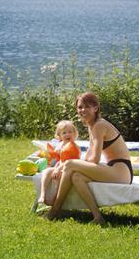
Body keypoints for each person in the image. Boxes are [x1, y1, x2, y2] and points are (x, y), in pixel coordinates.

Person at [44, 92, 133, 225]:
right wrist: (75, 165)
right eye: (80, 107)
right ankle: (98, 217)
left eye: (87, 107)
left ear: (95, 108)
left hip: (121, 172)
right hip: (114, 169)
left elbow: (95, 159)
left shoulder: (99, 126)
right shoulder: (92, 126)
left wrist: (71, 165)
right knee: (76, 176)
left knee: (70, 164)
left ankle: (55, 209)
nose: (83, 110)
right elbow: (88, 157)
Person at [38, 119, 80, 204]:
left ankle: (55, 198)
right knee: (46, 171)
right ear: (59, 136)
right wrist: (54, 165)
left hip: (69, 169)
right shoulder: (60, 145)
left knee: (59, 177)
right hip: (60, 167)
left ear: (74, 134)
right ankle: (42, 194)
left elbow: (69, 162)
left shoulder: (74, 147)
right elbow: (59, 159)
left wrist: (58, 169)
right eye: (64, 133)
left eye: (70, 132)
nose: (67, 134)